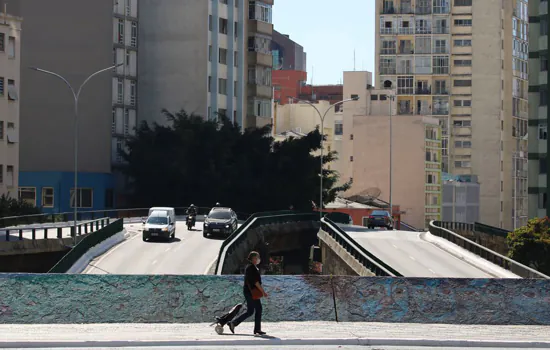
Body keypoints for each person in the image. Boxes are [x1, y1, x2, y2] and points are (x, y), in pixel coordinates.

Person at [229, 251, 267, 335]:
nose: (258, 259)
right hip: (251, 292)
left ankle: (234, 323)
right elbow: (256, 282)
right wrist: (263, 292)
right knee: (257, 309)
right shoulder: (251, 268)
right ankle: (256, 329)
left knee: (251, 311)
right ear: (253, 259)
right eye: (257, 258)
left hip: (250, 292)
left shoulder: (253, 267)